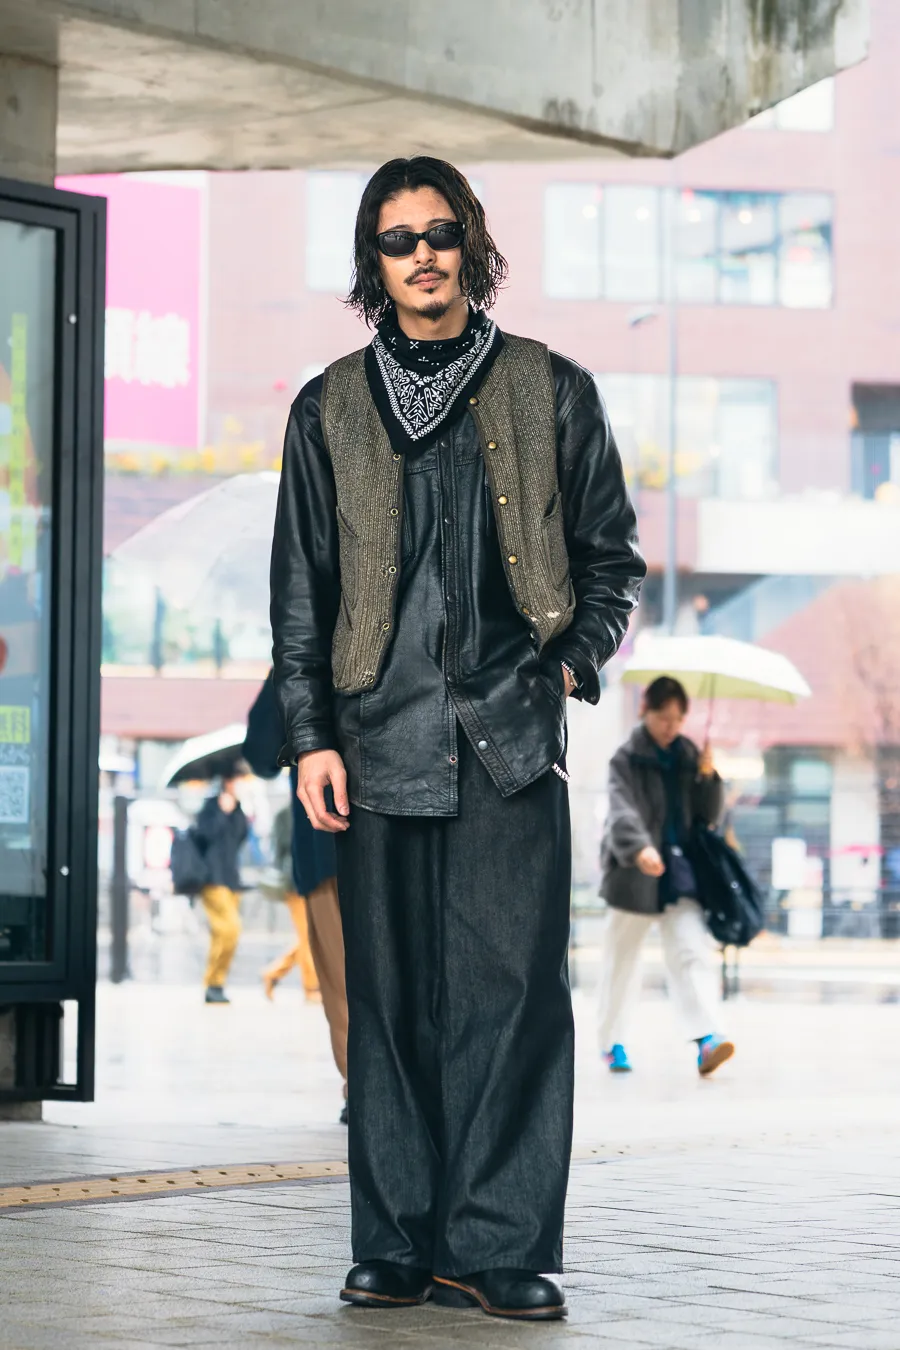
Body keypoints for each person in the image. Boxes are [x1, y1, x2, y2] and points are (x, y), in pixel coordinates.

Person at [271, 155, 645, 1322]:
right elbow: (303, 590)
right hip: (375, 743)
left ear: (471, 244)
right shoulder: (328, 407)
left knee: (514, 998)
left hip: (508, 744)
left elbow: (611, 565)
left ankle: (500, 1245)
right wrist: (311, 736)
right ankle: (394, 1240)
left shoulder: (551, 389)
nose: (422, 255)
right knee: (389, 1005)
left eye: (439, 234)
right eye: (398, 240)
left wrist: (563, 671)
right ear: (372, 261)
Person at [598, 676, 734, 1076]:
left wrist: (709, 778)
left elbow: (709, 817)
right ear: (646, 711)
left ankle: (707, 1038)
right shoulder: (625, 757)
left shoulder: (690, 754)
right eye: (663, 718)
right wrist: (639, 848)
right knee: (622, 961)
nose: (670, 727)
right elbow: (620, 809)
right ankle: (612, 1043)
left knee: (693, 951)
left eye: (677, 719)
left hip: (680, 873)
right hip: (633, 874)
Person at [243, 672, 349, 1119]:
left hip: (328, 843)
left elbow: (261, 752)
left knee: (343, 977)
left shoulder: (300, 664)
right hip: (396, 831)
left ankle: (365, 1086)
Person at [195, 767, 249, 1004]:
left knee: (222, 936)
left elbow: (240, 837)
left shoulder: (238, 809)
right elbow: (205, 835)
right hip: (212, 879)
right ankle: (212, 981)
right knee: (230, 929)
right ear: (226, 781)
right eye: (237, 780)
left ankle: (216, 985)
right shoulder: (210, 807)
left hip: (231, 880)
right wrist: (222, 812)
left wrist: (234, 810)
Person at [262, 803, 322, 1003]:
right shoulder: (285, 815)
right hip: (296, 881)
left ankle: (274, 973)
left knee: (317, 936)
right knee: (308, 936)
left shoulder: (321, 807)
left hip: (319, 880)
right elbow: (281, 849)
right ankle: (311, 987)